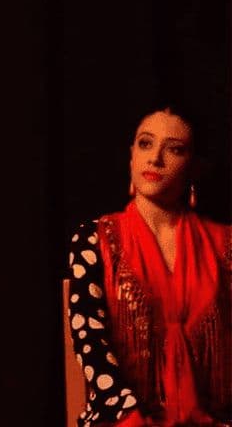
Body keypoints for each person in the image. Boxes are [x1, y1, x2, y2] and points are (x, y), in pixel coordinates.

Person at [67, 106, 232, 426]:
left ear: (194, 167)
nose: (155, 158)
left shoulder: (226, 246)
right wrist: (129, 417)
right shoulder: (94, 240)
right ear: (131, 156)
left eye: (174, 149)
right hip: (121, 418)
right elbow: (91, 344)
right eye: (145, 143)